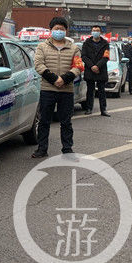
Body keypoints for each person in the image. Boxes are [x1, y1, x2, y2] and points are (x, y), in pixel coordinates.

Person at [32, 17, 84, 158]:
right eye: (56, 29)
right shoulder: (42, 47)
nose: (59, 31)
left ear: (66, 31)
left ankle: (67, 149)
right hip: (48, 89)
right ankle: (42, 149)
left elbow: (78, 66)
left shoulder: (74, 48)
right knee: (44, 121)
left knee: (66, 122)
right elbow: (38, 65)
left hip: (66, 90)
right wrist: (54, 79)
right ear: (51, 30)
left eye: (61, 29)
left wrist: (65, 78)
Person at [81, 25, 111, 117]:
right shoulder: (86, 43)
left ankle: (103, 109)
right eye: (94, 30)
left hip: (101, 70)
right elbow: (84, 56)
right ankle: (89, 108)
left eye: (97, 30)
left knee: (102, 91)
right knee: (90, 90)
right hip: (90, 69)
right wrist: (92, 66)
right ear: (91, 32)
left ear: (100, 32)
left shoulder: (105, 43)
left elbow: (106, 57)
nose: (95, 32)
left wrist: (97, 66)